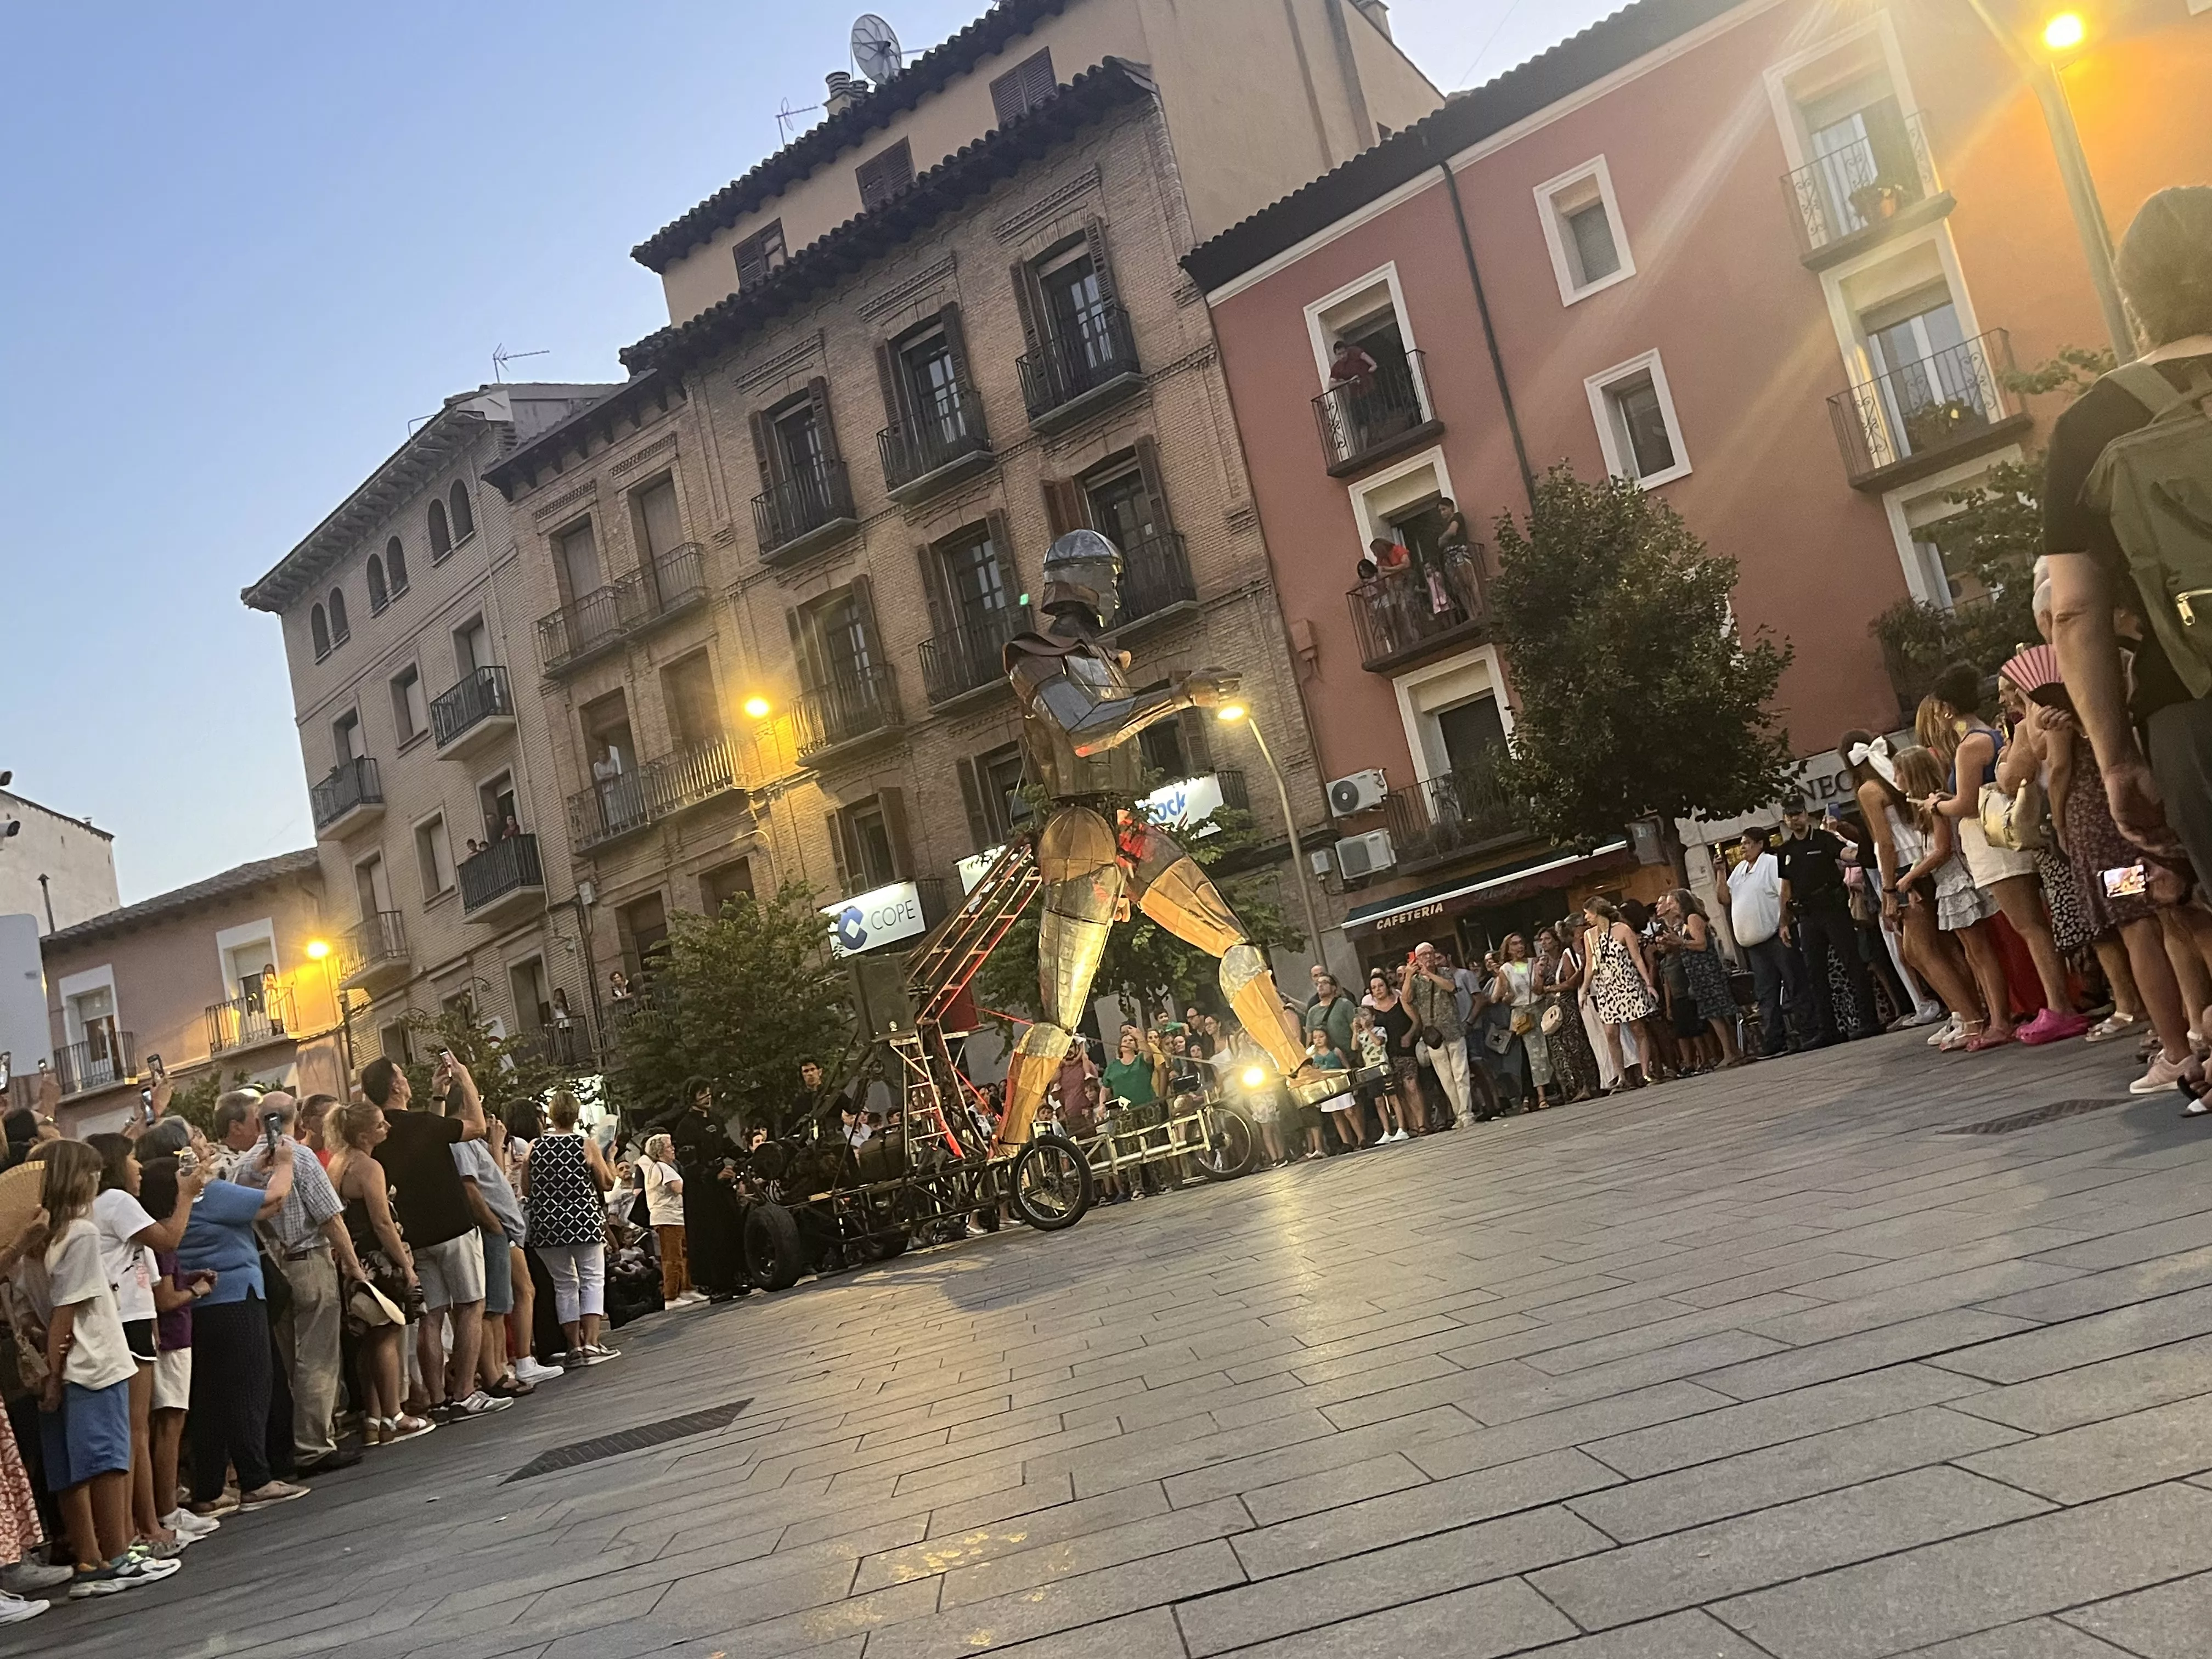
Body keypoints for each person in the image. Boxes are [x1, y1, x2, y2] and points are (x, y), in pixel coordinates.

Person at [2042, 189, 2212, 896]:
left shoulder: (2091, 423)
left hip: (2192, 708)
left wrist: (2115, 760)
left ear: (2133, 293)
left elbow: (2074, 611)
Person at [2007, 650, 2199, 1094]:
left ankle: (2175, 1047)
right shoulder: (2121, 667)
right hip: (2133, 811)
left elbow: (2057, 766)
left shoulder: (2071, 683)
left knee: (2136, 926)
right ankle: (2186, 1029)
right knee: (2168, 920)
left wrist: (2058, 821)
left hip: (2096, 821)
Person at [27, 1142, 184, 1599]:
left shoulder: (33, 1243)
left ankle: (89, 1556)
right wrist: (57, 1375)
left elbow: (35, 1313)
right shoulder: (80, 1234)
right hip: (94, 1358)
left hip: (56, 1365)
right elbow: (67, 1313)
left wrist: (48, 1372)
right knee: (107, 1460)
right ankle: (115, 1556)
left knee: (71, 1470)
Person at [1918, 664, 2088, 1042]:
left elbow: (1965, 803)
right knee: (2032, 925)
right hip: (2002, 832)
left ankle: (2058, 1005)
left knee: (2028, 925)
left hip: (1991, 838)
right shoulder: (1991, 735)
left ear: (1946, 708)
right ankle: (2058, 1001)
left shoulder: (1969, 745)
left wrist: (1936, 805)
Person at [172, 1096, 312, 1516]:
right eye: (195, 1137)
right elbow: (272, 1201)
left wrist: (254, 1169)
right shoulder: (203, 1193)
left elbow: (242, 1194)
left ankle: (210, 1487)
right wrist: (285, 1162)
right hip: (235, 1292)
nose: (202, 1142)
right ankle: (256, 1478)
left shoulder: (177, 1196)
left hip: (203, 1299)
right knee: (250, 1388)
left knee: (210, 1398)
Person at [229, 1094, 368, 1474]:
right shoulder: (301, 1157)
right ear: (298, 1122)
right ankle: (314, 1443)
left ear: (259, 1122)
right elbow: (329, 1217)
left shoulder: (240, 1167)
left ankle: (292, 1441)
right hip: (308, 1260)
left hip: (269, 1270)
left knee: (289, 1359)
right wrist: (354, 1266)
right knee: (318, 1357)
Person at [360, 1055, 501, 1422]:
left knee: (432, 1316)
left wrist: (438, 1096)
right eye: (403, 1077)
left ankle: (437, 1395)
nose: (408, 1081)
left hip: (416, 1233)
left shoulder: (380, 1133)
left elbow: (427, 1136)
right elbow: (477, 1126)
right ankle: (466, 1391)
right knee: (471, 1305)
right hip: (454, 1225)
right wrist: (466, 1081)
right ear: (396, 1086)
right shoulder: (422, 1124)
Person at [85, 1132, 200, 1556]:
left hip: (129, 1318)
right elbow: (169, 1239)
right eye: (131, 1159)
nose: (138, 1168)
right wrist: (185, 1195)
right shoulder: (115, 1201)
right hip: (126, 1320)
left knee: (135, 1429)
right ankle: (146, 1526)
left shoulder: (99, 1208)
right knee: (136, 1430)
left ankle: (145, 1523)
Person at [1844, 731, 1984, 1049]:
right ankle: (1965, 1013)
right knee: (1943, 946)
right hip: (1921, 860)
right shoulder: (1896, 782)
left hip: (1907, 869)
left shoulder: (1869, 789)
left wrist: (1889, 889)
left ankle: (1968, 1015)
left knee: (1920, 950)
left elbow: (1885, 843)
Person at [324, 1103, 435, 1446]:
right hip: (378, 1257)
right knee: (389, 1331)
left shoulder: (338, 1164)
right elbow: (382, 1220)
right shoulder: (368, 1166)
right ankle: (394, 1415)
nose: (387, 1127)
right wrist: (405, 1262)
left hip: (352, 1258)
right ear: (363, 1135)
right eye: (380, 1125)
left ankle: (373, 1418)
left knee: (369, 1340)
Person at [1895, 745, 2015, 1051]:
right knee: (1973, 954)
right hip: (1948, 883)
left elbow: (1942, 849)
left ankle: (1996, 1019)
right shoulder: (1926, 806)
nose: (1896, 779)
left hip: (1958, 881)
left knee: (1980, 952)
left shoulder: (1936, 803)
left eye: (1900, 773)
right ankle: (1987, 1018)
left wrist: (1910, 875)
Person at [131, 1156, 213, 1542]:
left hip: (170, 1336)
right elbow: (164, 1298)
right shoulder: (161, 1237)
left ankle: (167, 1507)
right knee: (169, 1424)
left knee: (167, 1424)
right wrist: (194, 1291)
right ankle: (167, 1509)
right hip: (170, 1337)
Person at [1774, 798, 1880, 1044]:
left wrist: (1860, 840)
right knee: (1815, 973)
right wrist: (1784, 922)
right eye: (1789, 816)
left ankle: (1869, 1021)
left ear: (1805, 814)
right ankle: (1828, 1029)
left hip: (1832, 910)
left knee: (1852, 963)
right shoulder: (1786, 850)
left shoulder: (1823, 839)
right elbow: (1786, 889)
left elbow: (1849, 855)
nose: (1794, 820)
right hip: (1807, 915)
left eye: (1797, 814)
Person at [523, 1091, 617, 1365]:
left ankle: (573, 1346)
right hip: (583, 1222)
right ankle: (592, 1343)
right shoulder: (586, 1145)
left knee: (564, 1284)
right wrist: (609, 1158)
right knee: (592, 1280)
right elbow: (607, 1183)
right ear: (576, 1116)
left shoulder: (534, 1147)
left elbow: (527, 1188)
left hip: (546, 1226)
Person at [1718, 828, 1803, 1057]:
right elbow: (1724, 898)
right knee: (1766, 992)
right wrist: (1719, 873)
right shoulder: (1739, 870)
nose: (1743, 847)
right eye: (1742, 844)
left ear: (1760, 844)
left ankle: (1806, 1030)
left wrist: (1785, 922)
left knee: (1794, 983)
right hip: (1755, 945)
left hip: (1776, 935)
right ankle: (1774, 1039)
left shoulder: (1770, 863)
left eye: (1747, 843)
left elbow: (1784, 893)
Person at [669, 1078, 745, 1304]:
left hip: (721, 1187)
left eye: (709, 1092)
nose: (708, 1096)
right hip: (701, 1192)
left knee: (730, 1227)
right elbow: (689, 1164)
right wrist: (713, 1174)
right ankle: (717, 1284)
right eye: (703, 1093)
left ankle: (734, 1277)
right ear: (693, 1097)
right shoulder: (685, 1127)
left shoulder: (716, 1120)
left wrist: (745, 1156)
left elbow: (728, 1145)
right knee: (711, 1236)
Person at [1656, 891, 1742, 1069]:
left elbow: (1701, 944)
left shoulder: (1693, 918)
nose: (1670, 906)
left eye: (1673, 903)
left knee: (1715, 1014)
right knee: (1715, 1014)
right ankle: (1734, 1051)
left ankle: (1729, 1053)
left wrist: (1680, 942)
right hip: (1698, 972)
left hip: (1706, 971)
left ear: (1681, 903)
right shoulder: (1685, 922)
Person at [1583, 898, 1660, 1086]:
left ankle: (1645, 1072)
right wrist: (1584, 989)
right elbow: (1590, 965)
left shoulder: (1623, 930)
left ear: (1598, 912)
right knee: (1610, 1032)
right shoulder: (1589, 935)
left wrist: (1648, 983)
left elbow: (1637, 958)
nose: (1586, 917)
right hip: (1606, 988)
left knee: (1637, 1028)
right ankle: (1621, 1076)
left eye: (1588, 913)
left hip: (1627, 983)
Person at [1401, 941, 1474, 1126]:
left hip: (1452, 1029)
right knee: (1446, 1077)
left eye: (1430, 953)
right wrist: (1409, 976)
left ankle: (1467, 1113)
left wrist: (1430, 975)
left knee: (1461, 1073)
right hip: (1433, 1035)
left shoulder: (1444, 972)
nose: (1428, 957)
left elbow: (1451, 988)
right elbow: (1407, 998)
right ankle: (1458, 1114)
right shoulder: (1415, 980)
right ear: (1417, 959)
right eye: (1423, 955)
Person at [1364, 967, 1426, 1133]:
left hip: (1405, 1050)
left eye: (1380, 986)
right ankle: (1412, 1125)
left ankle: (1422, 1124)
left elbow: (1416, 1021)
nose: (1378, 990)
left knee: (1412, 1086)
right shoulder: (1373, 1013)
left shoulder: (1400, 1002)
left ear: (1387, 986)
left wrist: (1409, 1035)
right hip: (1387, 1055)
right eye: (1374, 988)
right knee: (1399, 1092)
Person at [640, 1132, 693, 1308]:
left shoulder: (663, 1167)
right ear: (660, 1151)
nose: (673, 1150)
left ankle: (686, 1288)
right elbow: (679, 1189)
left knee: (684, 1254)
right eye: (669, 1147)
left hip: (676, 1218)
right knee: (673, 1257)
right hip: (668, 1218)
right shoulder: (662, 1168)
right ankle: (671, 1296)